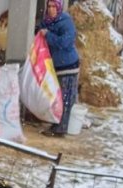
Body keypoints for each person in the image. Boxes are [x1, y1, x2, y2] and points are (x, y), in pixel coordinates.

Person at [39, 0, 80, 137]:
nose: (51, 9)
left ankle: (61, 128)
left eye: (53, 7)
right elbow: (41, 30)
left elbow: (65, 42)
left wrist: (48, 35)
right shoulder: (47, 22)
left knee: (66, 98)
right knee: (57, 97)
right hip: (55, 65)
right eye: (49, 6)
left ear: (59, 8)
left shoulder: (66, 22)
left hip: (68, 65)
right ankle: (57, 123)